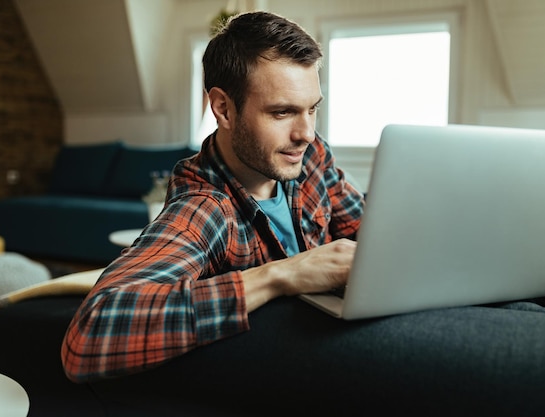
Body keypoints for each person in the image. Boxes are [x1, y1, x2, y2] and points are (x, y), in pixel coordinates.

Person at [61, 10, 365, 383]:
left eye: (312, 109)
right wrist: (280, 275)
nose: (305, 132)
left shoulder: (313, 157)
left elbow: (367, 230)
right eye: (283, 112)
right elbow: (90, 334)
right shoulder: (204, 206)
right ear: (223, 108)